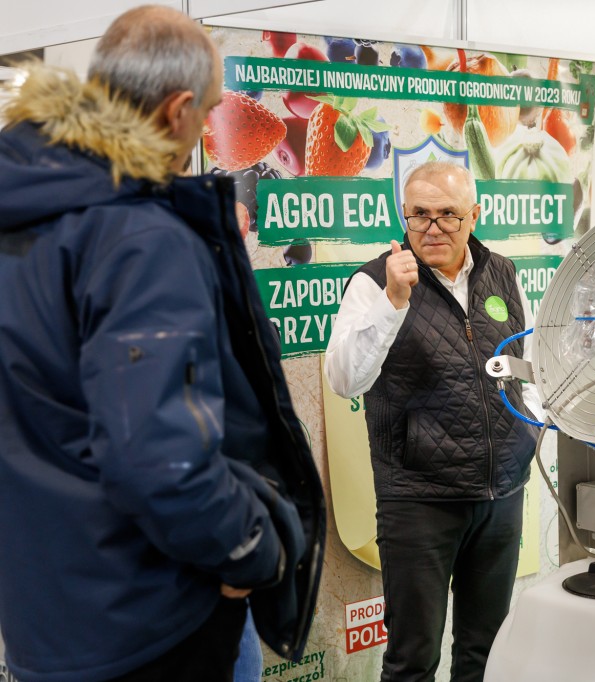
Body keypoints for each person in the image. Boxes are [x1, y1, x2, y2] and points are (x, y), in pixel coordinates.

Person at [0, 6, 325, 681]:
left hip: (44, 621)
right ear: (177, 111)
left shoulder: (26, 211)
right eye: (205, 113)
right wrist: (251, 549)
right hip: (151, 619)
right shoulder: (140, 237)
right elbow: (159, 460)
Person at [324, 161, 538, 682]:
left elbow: (527, 363)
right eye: (419, 215)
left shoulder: (502, 272)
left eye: (448, 215)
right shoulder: (375, 282)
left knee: (485, 653)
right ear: (404, 214)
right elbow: (344, 380)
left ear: (474, 216)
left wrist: (528, 433)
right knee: (413, 661)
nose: (433, 228)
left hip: (500, 496)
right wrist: (394, 302)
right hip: (419, 500)